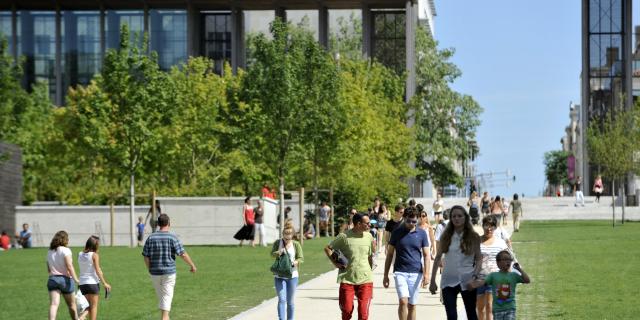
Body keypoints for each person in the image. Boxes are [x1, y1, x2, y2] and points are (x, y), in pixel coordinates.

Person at [429, 205, 482, 320]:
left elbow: (479, 258)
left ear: (465, 218)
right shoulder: (445, 236)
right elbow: (438, 258)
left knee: (471, 314)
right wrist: (432, 280)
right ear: (451, 219)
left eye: (459, 216)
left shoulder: (474, 237)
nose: (456, 218)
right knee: (451, 316)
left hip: (468, 279)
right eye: (454, 216)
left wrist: (475, 276)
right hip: (448, 280)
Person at [142, 214, 197, 320]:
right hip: (169, 272)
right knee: (166, 297)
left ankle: (165, 316)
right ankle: (165, 317)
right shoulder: (172, 237)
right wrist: (192, 265)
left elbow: (145, 256)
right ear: (169, 223)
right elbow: (182, 254)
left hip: (155, 272)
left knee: (162, 297)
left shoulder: (151, 237)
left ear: (158, 224)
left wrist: (149, 269)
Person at [383, 207, 431, 320]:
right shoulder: (396, 232)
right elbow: (390, 254)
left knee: (412, 305)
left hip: (416, 272)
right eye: (408, 221)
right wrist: (385, 275)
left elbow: (426, 255)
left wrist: (427, 274)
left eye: (414, 221)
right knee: (403, 301)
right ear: (404, 218)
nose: (411, 223)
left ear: (417, 220)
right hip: (400, 272)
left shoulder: (422, 233)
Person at [324, 213, 374, 320]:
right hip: (347, 279)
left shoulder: (369, 236)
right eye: (367, 223)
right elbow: (328, 248)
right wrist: (335, 263)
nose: (370, 225)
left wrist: (370, 269)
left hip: (366, 279)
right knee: (346, 312)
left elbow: (369, 256)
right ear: (358, 224)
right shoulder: (344, 237)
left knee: (363, 314)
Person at [469, 251, 530, 320]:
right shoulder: (493, 276)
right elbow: (483, 282)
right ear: (498, 263)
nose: (508, 262)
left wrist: (519, 269)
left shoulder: (514, 276)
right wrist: (473, 285)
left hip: (510, 308)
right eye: (505, 259)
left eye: (509, 260)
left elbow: (527, 280)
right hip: (497, 309)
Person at [476, 216, 509, 320]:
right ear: (483, 226)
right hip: (478, 280)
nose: (489, 229)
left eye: (492, 226)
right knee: (480, 308)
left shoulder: (500, 243)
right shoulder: (476, 242)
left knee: (490, 307)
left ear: (495, 228)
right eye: (486, 225)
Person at [271, 226, 304, 320]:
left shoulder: (296, 244)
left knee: (290, 302)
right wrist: (278, 252)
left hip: (292, 276)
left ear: (292, 234)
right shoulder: (278, 242)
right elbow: (272, 254)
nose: (287, 235)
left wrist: (295, 262)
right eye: (286, 233)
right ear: (283, 234)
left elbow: (301, 258)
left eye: (289, 233)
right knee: (281, 299)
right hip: (279, 275)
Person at [47, 230, 80, 320]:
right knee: (72, 304)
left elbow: (48, 267)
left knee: (54, 304)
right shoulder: (66, 250)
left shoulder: (50, 251)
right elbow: (69, 266)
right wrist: (76, 279)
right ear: (64, 239)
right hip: (65, 280)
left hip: (52, 279)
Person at [78, 235, 112, 320]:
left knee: (88, 305)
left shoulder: (80, 254)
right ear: (95, 245)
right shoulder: (94, 255)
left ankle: (82, 316)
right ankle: (82, 317)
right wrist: (105, 283)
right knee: (93, 307)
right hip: (92, 283)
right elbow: (97, 270)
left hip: (82, 284)